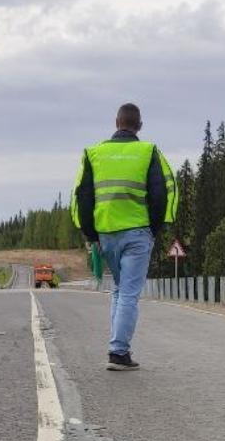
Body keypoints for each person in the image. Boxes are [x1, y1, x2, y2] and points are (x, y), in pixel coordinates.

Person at [71, 103, 178, 371]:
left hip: (107, 234)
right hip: (138, 232)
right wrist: (154, 229)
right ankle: (118, 352)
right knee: (129, 293)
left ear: (116, 122)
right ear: (139, 125)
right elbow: (161, 193)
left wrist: (90, 234)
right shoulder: (148, 151)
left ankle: (118, 348)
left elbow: (83, 197)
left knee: (119, 290)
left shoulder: (94, 153)